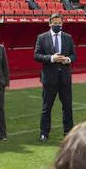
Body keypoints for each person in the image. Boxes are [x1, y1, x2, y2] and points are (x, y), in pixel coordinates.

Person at [34, 13, 76, 141]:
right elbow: (36, 55)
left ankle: (68, 132)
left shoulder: (68, 37)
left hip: (64, 78)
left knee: (67, 106)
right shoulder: (42, 37)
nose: (57, 25)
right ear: (50, 23)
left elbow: (74, 55)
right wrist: (52, 58)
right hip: (49, 78)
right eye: (55, 23)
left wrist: (67, 59)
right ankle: (44, 133)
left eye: (59, 23)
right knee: (47, 107)